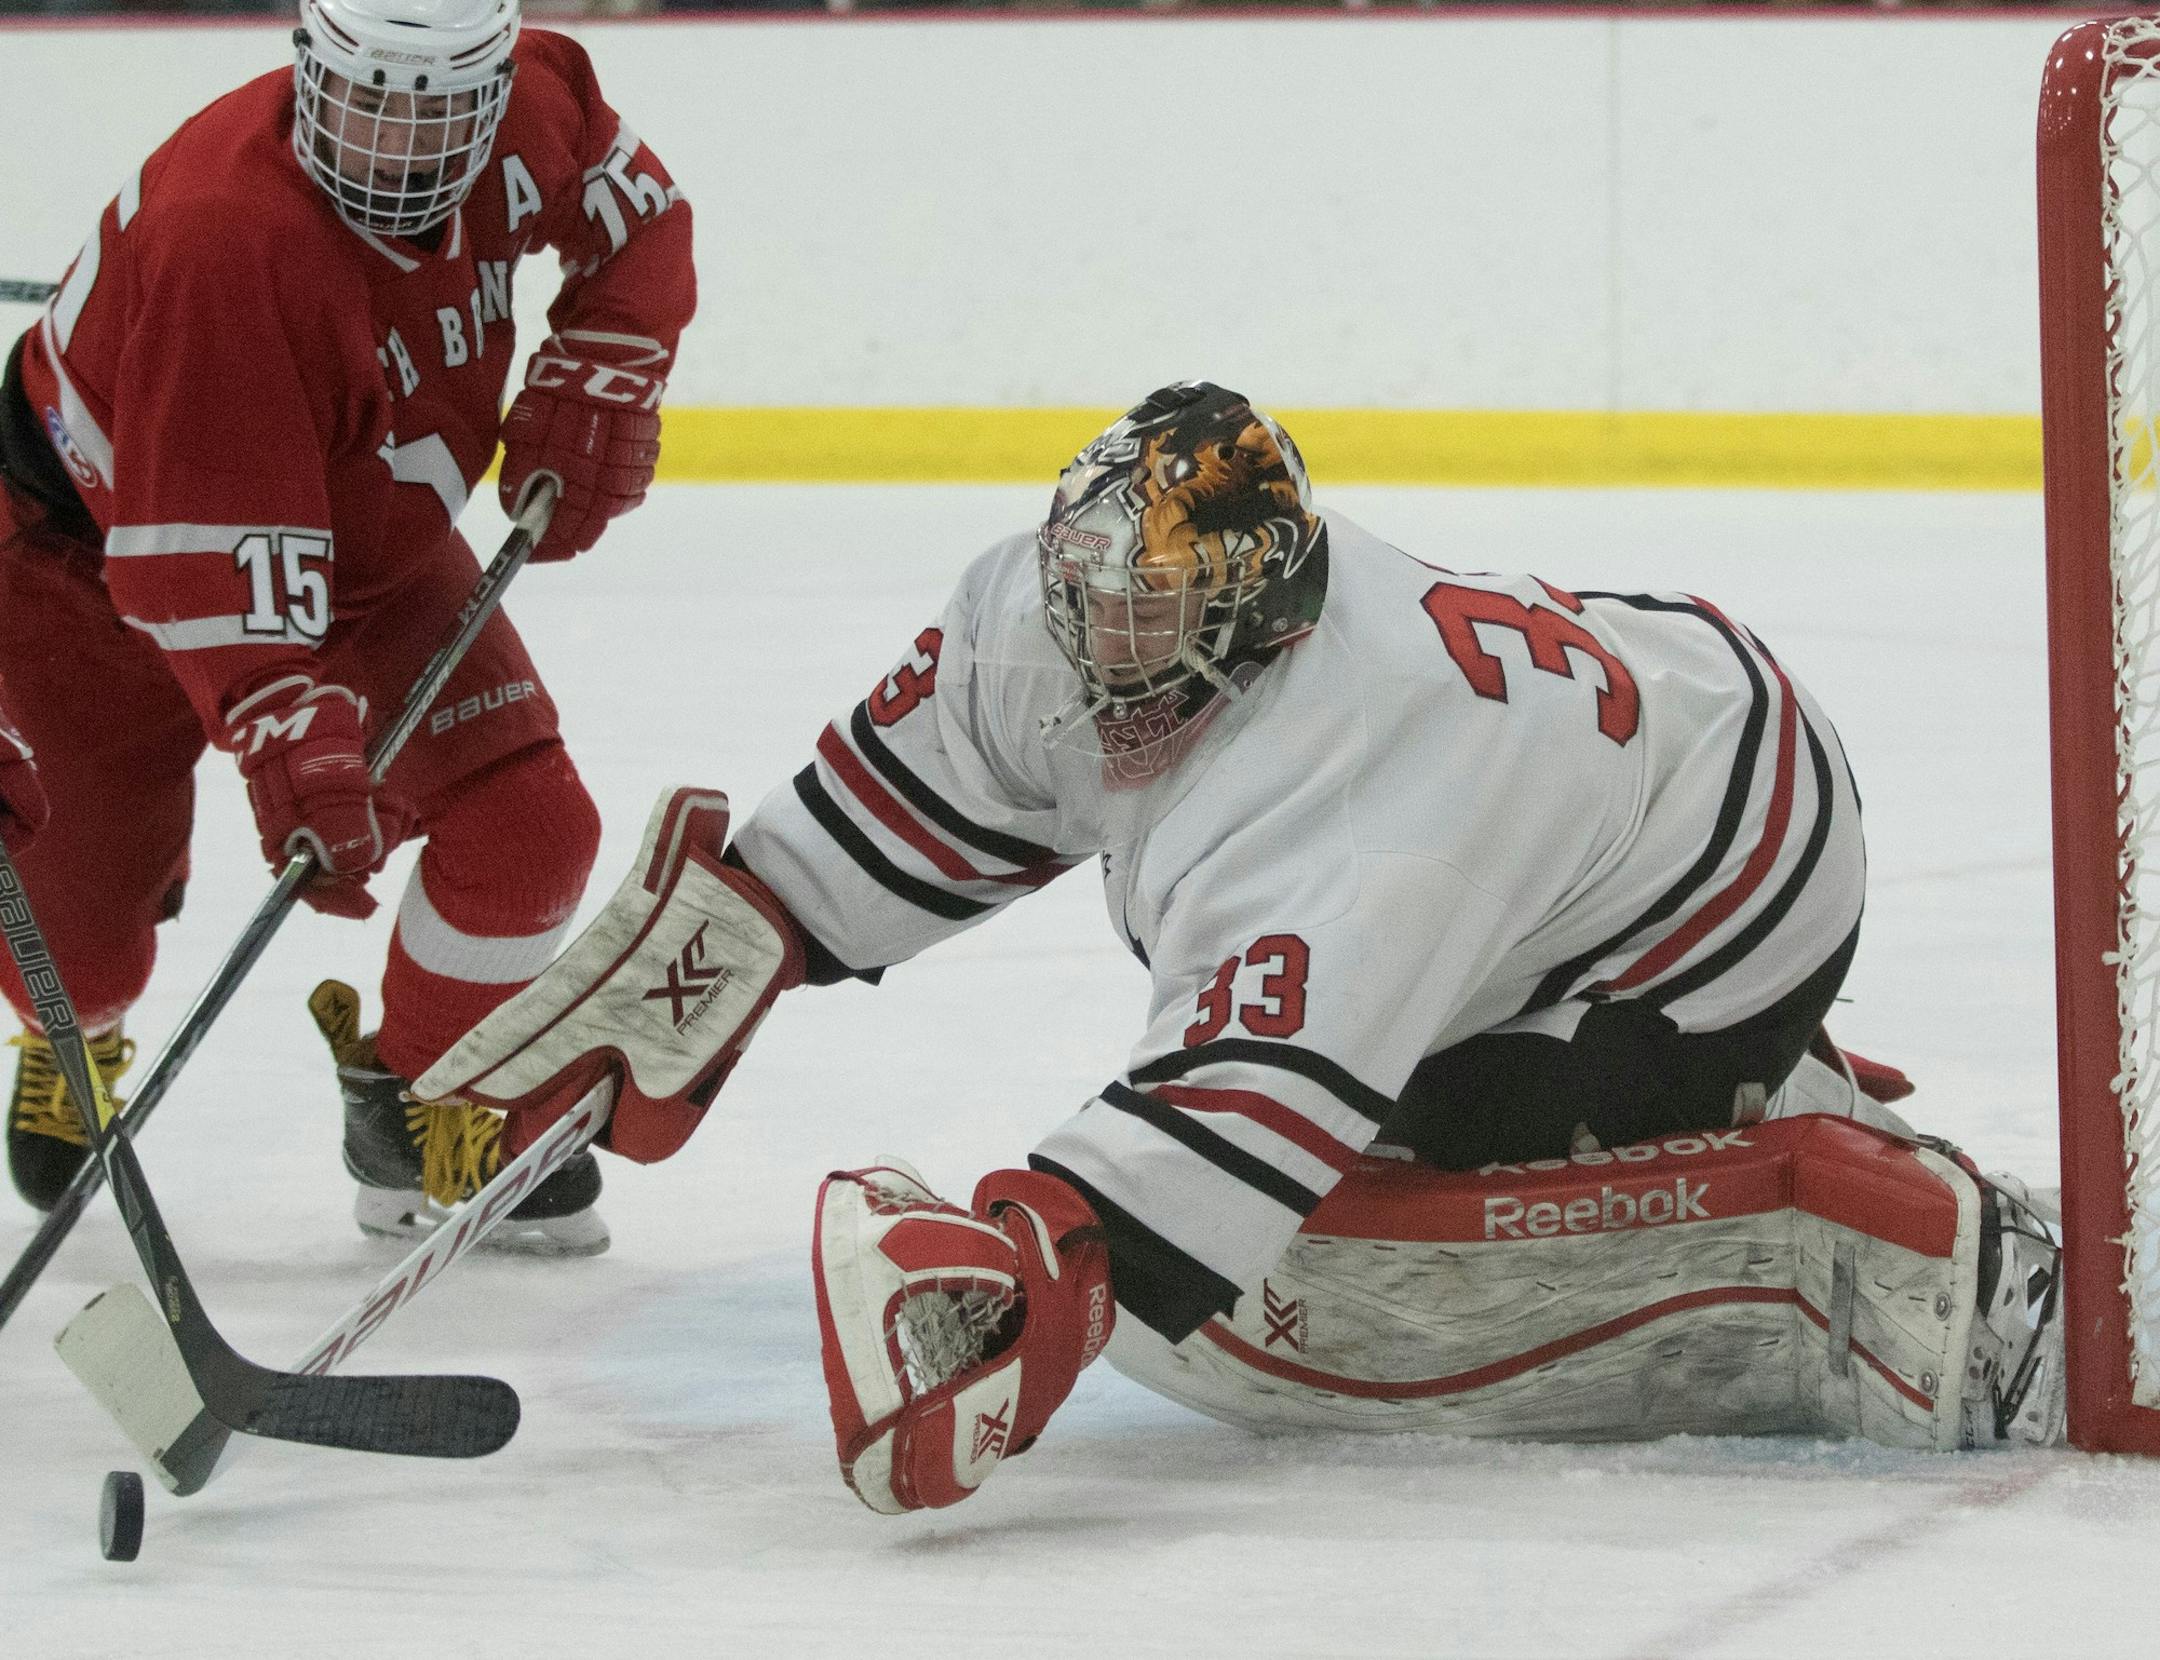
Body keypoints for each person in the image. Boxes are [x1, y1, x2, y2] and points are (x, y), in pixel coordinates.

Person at [414, 381, 2066, 1507]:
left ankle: (1790, 1133)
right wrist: (728, 944)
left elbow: (1242, 1107)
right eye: (1089, 606)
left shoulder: (1358, 790)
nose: (1098, 656)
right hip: (1647, 737)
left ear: (1259, 627)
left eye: (1148, 627)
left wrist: (1039, 1257)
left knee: (1414, 1143)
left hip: (1723, 892)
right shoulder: (1052, 612)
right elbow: (929, 790)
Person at [0, 0, 694, 1255]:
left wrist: (607, 355)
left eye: (435, 110)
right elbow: (196, 556)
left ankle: (422, 1098)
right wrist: (283, 721)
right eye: (368, 102)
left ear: (491, 93)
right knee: (80, 947)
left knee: (531, 832)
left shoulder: (535, 105)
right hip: (79, 561)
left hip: (358, 536)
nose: (395, 146)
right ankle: (75, 1032)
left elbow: (636, 214)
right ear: (311, 72)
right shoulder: (232, 241)